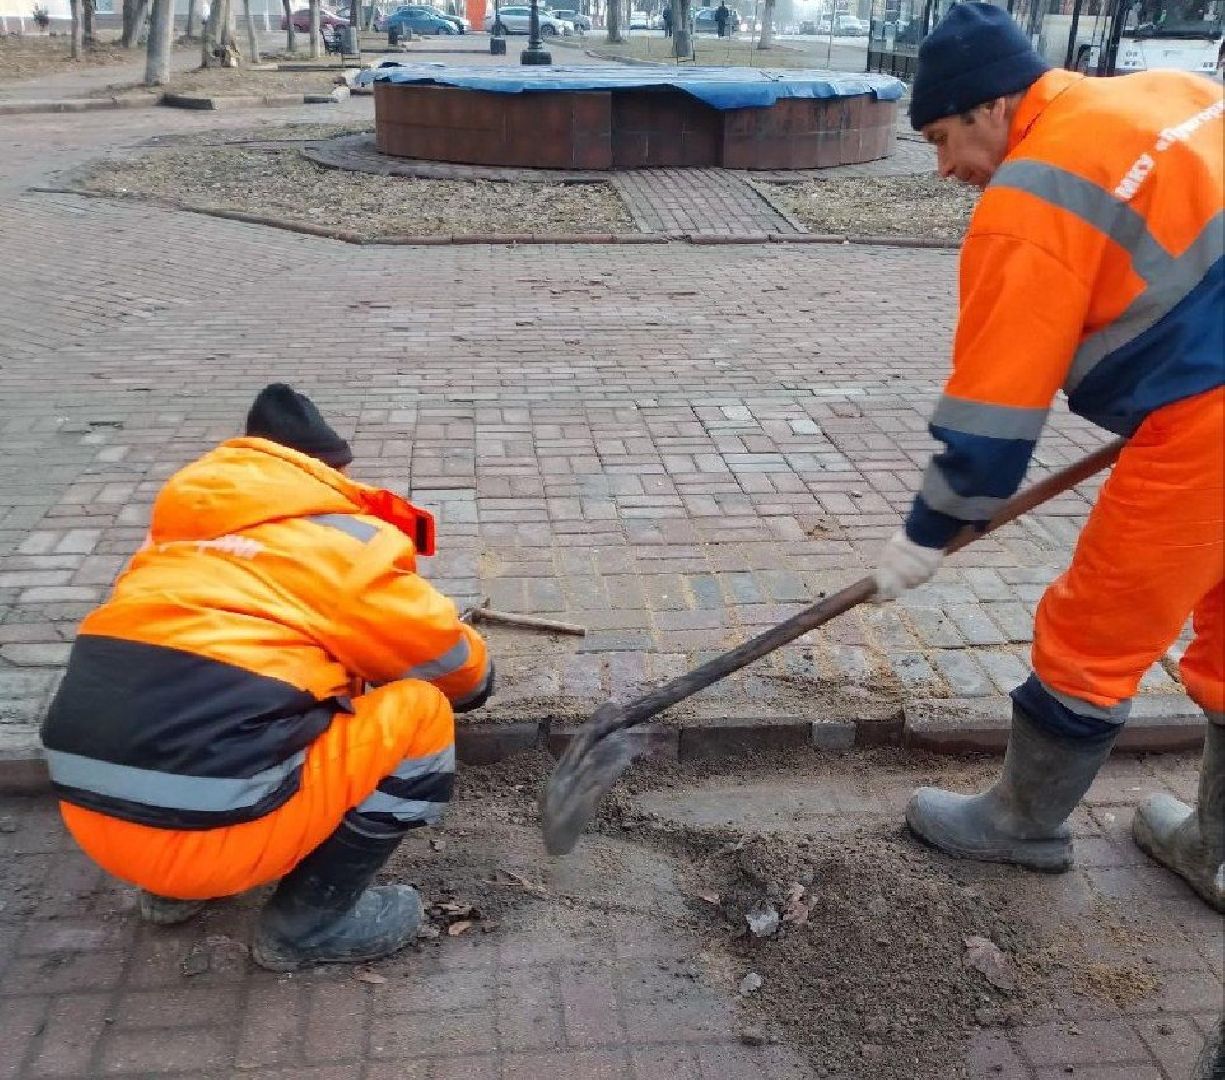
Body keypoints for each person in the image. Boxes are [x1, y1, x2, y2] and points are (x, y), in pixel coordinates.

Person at [872, 4, 1223, 910]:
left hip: (1211, 421)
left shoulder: (1030, 195)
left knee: (1094, 630)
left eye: (945, 138)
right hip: (1202, 401)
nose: (948, 168)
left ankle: (1021, 825)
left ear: (993, 106)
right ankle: (1214, 851)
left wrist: (930, 529)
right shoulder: (1171, 92)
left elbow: (992, 411)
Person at [40, 384, 495, 967]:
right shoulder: (336, 544)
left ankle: (170, 892)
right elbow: (448, 663)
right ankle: (311, 923)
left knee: (217, 689)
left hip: (96, 823)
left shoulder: (170, 541)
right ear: (323, 469)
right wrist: (475, 682)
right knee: (418, 712)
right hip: (211, 837)